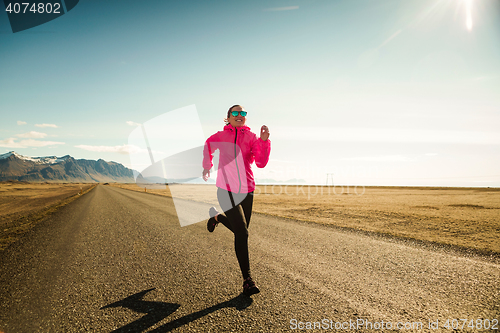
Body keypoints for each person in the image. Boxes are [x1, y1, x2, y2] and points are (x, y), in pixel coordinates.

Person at [202, 104, 270, 296]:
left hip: (247, 191)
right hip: (226, 189)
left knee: (242, 232)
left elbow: (261, 163)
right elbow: (208, 145)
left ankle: (216, 218)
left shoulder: (252, 138)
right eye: (236, 113)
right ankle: (247, 280)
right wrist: (208, 165)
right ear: (228, 117)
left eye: (243, 113)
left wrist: (264, 142)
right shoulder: (220, 136)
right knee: (242, 232)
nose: (240, 115)